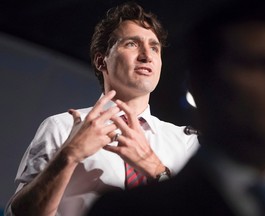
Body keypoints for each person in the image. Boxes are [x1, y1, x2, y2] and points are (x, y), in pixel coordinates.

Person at [87, 0, 265, 215]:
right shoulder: (124, 209)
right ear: (201, 83)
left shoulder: (183, 141)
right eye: (260, 65)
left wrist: (155, 167)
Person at [5, 2, 199, 216]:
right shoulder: (63, 127)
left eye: (154, 47)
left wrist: (155, 169)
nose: (147, 55)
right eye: (132, 44)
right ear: (101, 61)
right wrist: (69, 155)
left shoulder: (187, 142)